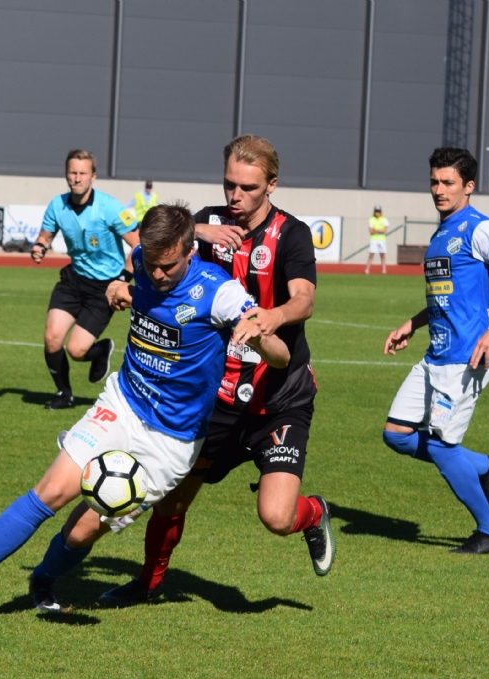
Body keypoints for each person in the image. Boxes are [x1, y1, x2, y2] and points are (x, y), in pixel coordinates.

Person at [0, 203, 291, 616]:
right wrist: (120, 287)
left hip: (172, 441)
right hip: (124, 403)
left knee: (82, 532)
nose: (157, 274)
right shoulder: (141, 258)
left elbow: (281, 358)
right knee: (52, 490)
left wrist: (259, 336)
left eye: (168, 266)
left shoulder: (219, 292)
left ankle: (43, 578)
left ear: (190, 253)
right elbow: (139, 282)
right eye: (151, 264)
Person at [99, 135, 334, 605]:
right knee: (173, 499)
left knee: (276, 517)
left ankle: (314, 514)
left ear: (271, 185)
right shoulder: (206, 224)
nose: (235, 196)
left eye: (247, 187)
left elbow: (304, 299)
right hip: (219, 398)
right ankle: (149, 585)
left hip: (279, 396)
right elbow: (150, 249)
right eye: (229, 184)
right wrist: (198, 233)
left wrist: (273, 317)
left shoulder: (291, 234)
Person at [382, 147, 489, 555]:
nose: (439, 189)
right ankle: (487, 466)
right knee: (395, 434)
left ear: (468, 186)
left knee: (441, 446)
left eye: (448, 182)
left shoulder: (479, 228)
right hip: (435, 356)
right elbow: (445, 296)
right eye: (434, 181)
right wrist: (412, 324)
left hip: (467, 358)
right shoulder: (441, 232)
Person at [30, 149, 140, 410]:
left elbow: (139, 245)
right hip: (73, 280)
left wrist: (123, 279)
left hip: (104, 287)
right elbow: (46, 234)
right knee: (52, 337)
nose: (77, 178)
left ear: (93, 176)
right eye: (73, 172)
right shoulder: (57, 205)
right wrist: (40, 246)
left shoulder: (109, 207)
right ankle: (64, 394)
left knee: (76, 350)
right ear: (66, 174)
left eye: (82, 173)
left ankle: (101, 350)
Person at [365, 205, 388, 274]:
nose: (377, 213)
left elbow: (385, 230)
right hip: (374, 240)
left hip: (382, 240)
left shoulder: (384, 219)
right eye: (376, 211)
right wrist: (380, 230)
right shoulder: (371, 219)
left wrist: (376, 230)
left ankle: (384, 270)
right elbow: (371, 231)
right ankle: (367, 269)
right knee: (371, 255)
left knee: (382, 255)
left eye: (378, 211)